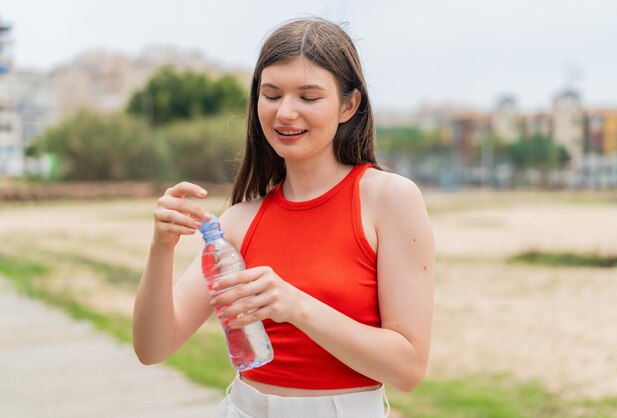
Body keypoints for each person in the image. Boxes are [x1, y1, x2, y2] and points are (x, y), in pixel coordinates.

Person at [133, 17, 435, 418]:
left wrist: (295, 305)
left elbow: (408, 368)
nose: (285, 113)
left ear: (349, 105)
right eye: (271, 94)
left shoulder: (390, 200)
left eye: (308, 97)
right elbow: (153, 348)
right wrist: (161, 248)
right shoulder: (239, 221)